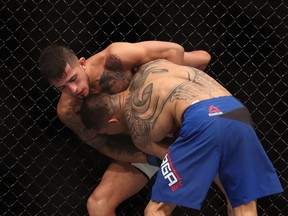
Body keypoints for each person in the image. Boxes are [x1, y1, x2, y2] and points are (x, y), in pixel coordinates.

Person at [80, 59, 283, 216]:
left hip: (202, 119)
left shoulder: (137, 122)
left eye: (108, 133)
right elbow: (197, 56)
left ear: (112, 122)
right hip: (235, 110)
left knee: (156, 210)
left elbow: (177, 158)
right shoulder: (152, 66)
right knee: (242, 206)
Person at [38, 41, 213, 216]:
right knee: (98, 204)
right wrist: (153, 157)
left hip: (173, 118)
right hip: (144, 144)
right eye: (62, 87)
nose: (73, 89)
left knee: (200, 59)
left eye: (73, 79)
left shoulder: (114, 58)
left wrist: (171, 112)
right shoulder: (68, 110)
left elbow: (174, 50)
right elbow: (105, 145)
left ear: (83, 63)